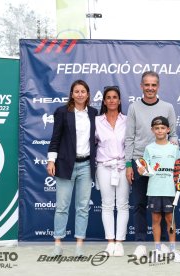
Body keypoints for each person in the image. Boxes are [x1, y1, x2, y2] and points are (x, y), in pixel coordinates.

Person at [125, 71, 178, 258]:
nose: (150, 88)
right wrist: (129, 164)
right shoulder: (133, 107)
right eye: (146, 85)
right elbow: (129, 138)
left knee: (163, 208)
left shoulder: (168, 107)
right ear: (141, 86)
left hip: (163, 165)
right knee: (139, 204)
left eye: (153, 85)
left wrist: (174, 146)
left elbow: (174, 135)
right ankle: (140, 242)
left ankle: (162, 242)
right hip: (140, 161)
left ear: (158, 86)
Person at [47, 79, 98, 257]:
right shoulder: (62, 112)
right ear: (71, 94)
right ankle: (58, 243)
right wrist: (51, 160)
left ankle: (79, 245)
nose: (80, 94)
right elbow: (55, 138)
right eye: (76, 91)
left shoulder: (93, 113)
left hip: (86, 165)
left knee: (83, 206)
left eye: (83, 91)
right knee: (62, 206)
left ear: (88, 94)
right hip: (65, 164)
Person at [137, 116, 180, 263]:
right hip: (154, 190)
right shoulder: (149, 149)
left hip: (170, 190)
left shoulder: (174, 148)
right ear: (152, 130)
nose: (160, 130)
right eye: (156, 128)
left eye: (162, 128)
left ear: (168, 129)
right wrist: (141, 170)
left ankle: (172, 250)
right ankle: (157, 250)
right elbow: (145, 167)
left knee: (170, 220)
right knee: (156, 219)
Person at [95, 86, 129, 257]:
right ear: (104, 101)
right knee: (107, 204)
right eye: (108, 97)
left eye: (115, 97)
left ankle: (119, 242)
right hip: (104, 166)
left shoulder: (127, 120)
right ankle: (110, 242)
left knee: (122, 204)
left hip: (123, 167)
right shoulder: (97, 121)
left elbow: (131, 143)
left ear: (120, 100)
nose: (112, 100)